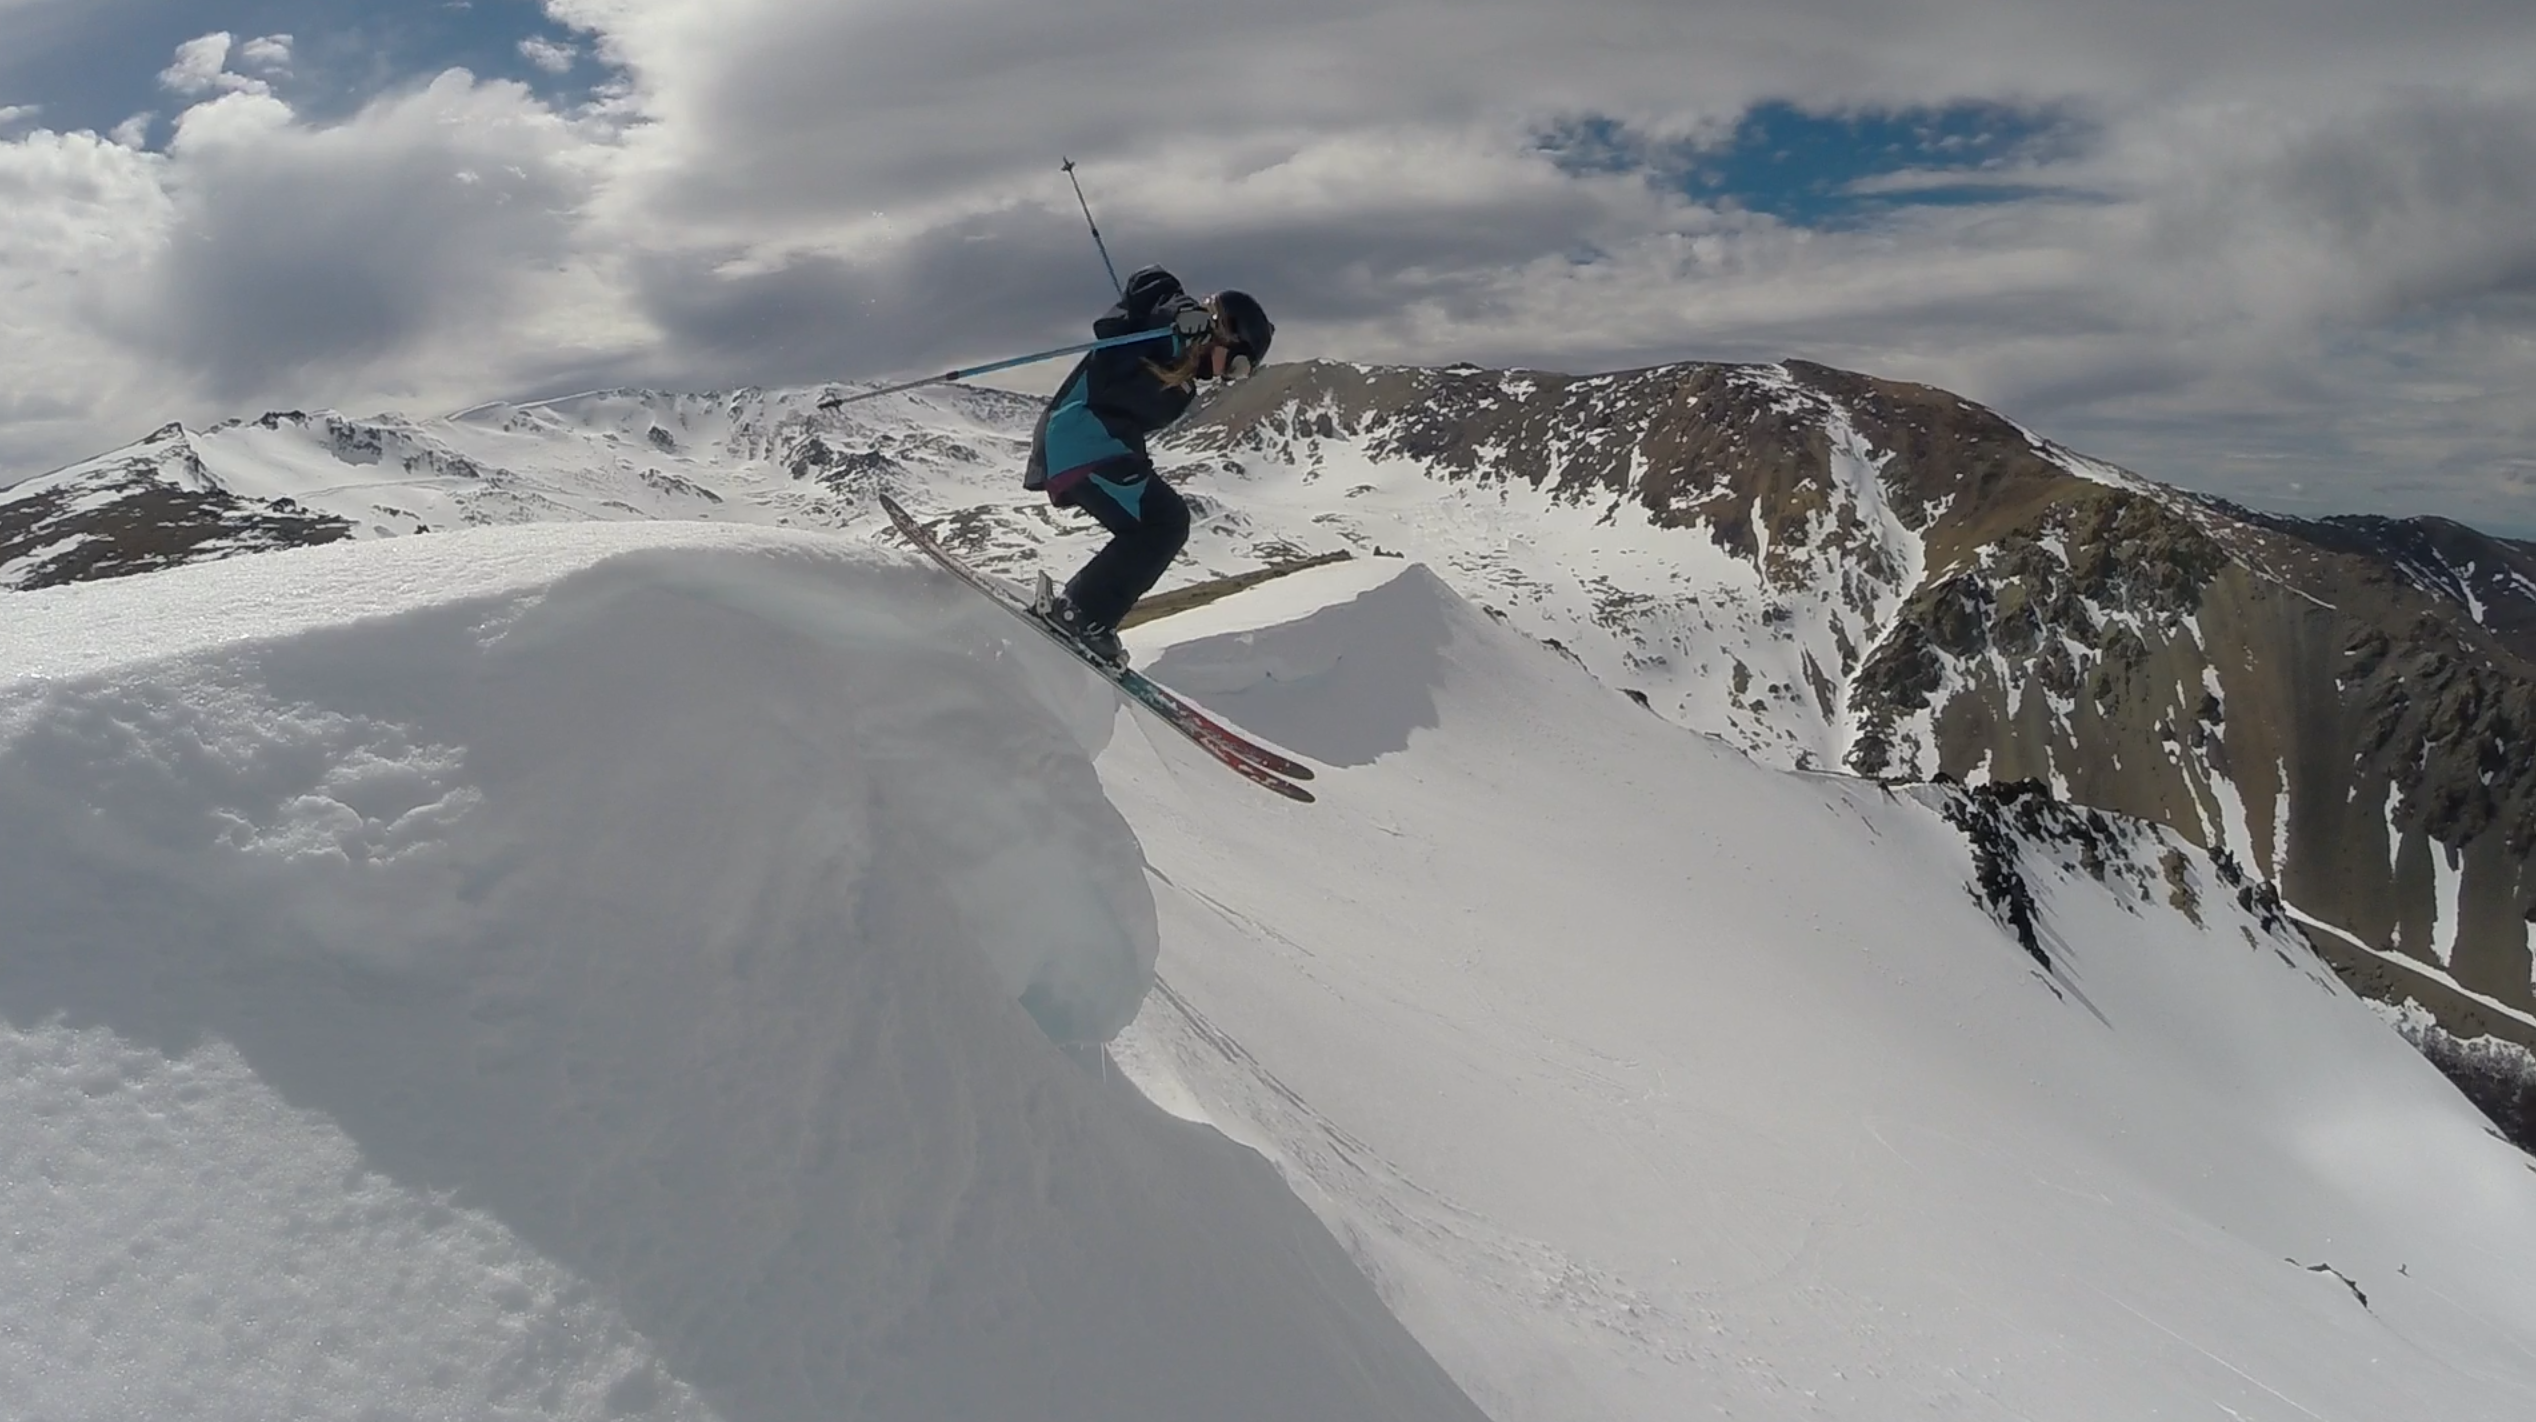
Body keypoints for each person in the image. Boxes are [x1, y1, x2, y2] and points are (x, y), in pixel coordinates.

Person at [1023, 266, 1274, 667]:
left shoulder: (1185, 380)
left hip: (1096, 445)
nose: (1228, 378)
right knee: (1166, 521)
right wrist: (1183, 316)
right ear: (1224, 332)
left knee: (1155, 525)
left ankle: (1084, 613)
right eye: (1237, 366)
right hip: (1080, 436)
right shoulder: (1165, 335)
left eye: (1239, 376)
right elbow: (1149, 283)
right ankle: (1081, 614)